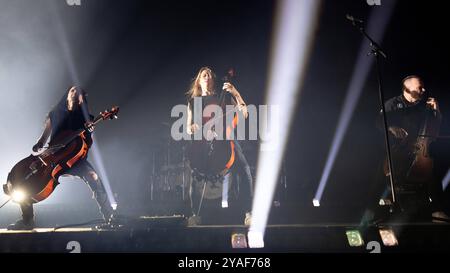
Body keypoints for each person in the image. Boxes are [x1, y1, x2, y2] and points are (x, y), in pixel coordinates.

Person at [7, 86, 114, 230]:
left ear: (83, 100)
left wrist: (90, 129)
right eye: (73, 91)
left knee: (93, 176)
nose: (76, 93)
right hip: (51, 158)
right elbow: (44, 136)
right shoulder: (54, 114)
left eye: (80, 93)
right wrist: (39, 145)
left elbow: (86, 142)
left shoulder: (87, 119)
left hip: (75, 159)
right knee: (25, 179)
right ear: (67, 95)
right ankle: (27, 221)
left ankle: (110, 217)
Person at [185, 67, 253, 225]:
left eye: (209, 74)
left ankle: (249, 213)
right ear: (199, 80)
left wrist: (235, 92)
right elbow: (189, 127)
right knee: (193, 173)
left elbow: (244, 112)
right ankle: (194, 214)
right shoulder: (193, 102)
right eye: (204, 75)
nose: (207, 76)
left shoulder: (223, 97)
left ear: (213, 80)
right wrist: (193, 128)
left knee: (244, 169)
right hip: (203, 142)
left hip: (226, 139)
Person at [380, 75, 449, 222]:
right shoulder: (392, 104)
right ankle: (383, 204)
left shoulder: (424, 106)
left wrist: (437, 113)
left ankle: (436, 209)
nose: (423, 90)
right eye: (420, 87)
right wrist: (391, 128)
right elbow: (378, 122)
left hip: (420, 149)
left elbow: (434, 129)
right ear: (408, 89)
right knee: (388, 169)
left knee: (432, 172)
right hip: (397, 148)